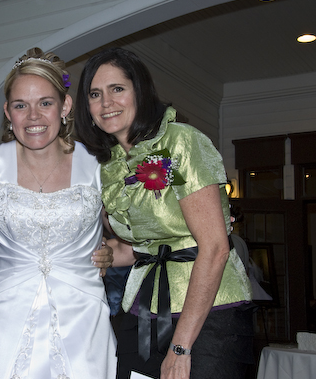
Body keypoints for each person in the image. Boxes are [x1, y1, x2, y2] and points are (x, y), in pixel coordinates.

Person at [75, 47, 253, 379]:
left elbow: (215, 247)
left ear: (140, 91)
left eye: (117, 89)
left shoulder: (182, 141)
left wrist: (180, 348)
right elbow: (136, 248)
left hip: (210, 314)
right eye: (95, 94)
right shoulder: (108, 166)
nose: (106, 103)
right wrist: (86, 254)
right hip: (144, 309)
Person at [0, 48, 117, 379]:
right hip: (5, 318)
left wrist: (114, 250)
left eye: (45, 103)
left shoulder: (97, 164)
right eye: (20, 106)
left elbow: (137, 229)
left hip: (84, 319)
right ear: (7, 113)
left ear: (65, 106)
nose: (33, 116)